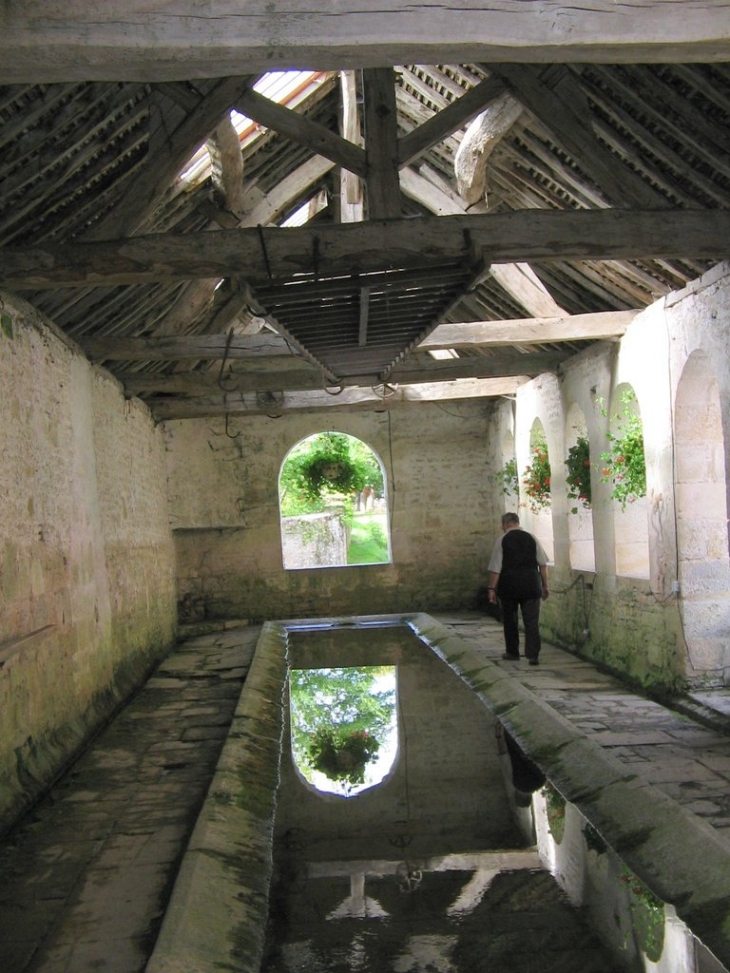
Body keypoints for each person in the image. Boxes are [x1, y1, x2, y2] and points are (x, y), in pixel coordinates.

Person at [487, 512, 549, 665]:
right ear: (517, 522)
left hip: (509, 585)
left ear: (505, 524)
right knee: (531, 621)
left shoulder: (502, 540)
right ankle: (533, 654)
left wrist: (491, 589)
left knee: (510, 619)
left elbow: (496, 568)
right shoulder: (532, 538)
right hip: (531, 584)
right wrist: (545, 585)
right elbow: (542, 564)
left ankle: (512, 652)